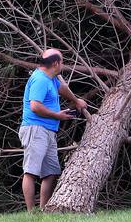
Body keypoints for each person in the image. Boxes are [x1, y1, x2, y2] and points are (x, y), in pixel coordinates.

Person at [19, 48, 88, 211]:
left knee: (50, 172)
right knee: (31, 171)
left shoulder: (51, 78)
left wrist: (76, 100)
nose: (63, 65)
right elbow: (35, 106)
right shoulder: (40, 79)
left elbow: (62, 88)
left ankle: (44, 210)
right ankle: (31, 213)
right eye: (62, 61)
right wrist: (57, 115)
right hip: (35, 129)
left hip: (48, 130)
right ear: (55, 63)